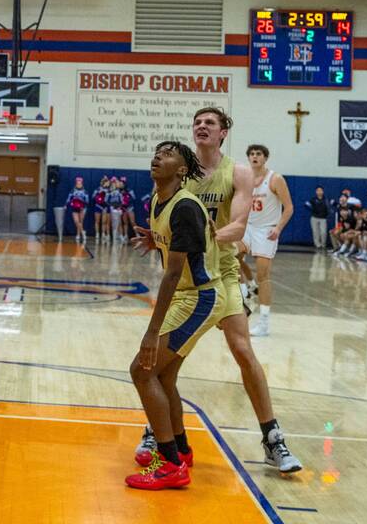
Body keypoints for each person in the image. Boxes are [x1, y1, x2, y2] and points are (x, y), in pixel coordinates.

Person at [137, 107, 301, 474]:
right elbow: (166, 216)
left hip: (222, 276)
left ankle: (273, 438)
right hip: (188, 279)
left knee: (242, 350)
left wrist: (203, 236)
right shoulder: (177, 171)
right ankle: (158, 432)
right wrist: (159, 237)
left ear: (223, 132)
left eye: (210, 122)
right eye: (197, 122)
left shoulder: (238, 173)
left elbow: (240, 226)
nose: (201, 126)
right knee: (166, 366)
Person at [126, 141, 222, 491]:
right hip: (186, 295)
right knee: (162, 377)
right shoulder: (157, 200)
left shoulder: (184, 206)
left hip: (197, 297)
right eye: (157, 151)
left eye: (167, 154)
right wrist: (157, 242)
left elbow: (171, 274)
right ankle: (180, 450)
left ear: (182, 170)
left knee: (142, 369)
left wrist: (152, 332)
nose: (157, 157)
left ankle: (169, 465)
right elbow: (174, 250)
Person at [243, 144, 293, 337]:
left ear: (265, 158)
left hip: (266, 230)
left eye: (259, 154)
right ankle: (243, 296)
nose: (255, 157)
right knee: (229, 256)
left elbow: (289, 207)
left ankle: (264, 322)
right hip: (247, 227)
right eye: (252, 154)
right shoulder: (244, 177)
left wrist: (278, 228)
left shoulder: (275, 179)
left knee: (263, 274)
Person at [305, 185, 330, 251]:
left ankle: (323, 245)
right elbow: (306, 204)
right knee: (315, 232)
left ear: (323, 191)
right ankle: (317, 245)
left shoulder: (326, 199)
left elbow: (329, 207)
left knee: (323, 232)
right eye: (318, 190)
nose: (319, 192)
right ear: (316, 192)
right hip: (314, 218)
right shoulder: (313, 199)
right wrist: (312, 209)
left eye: (321, 190)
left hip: (323, 218)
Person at [66, 176, 89, 243]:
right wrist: (66, 205)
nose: (79, 184)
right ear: (76, 183)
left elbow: (87, 201)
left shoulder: (85, 191)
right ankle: (83, 232)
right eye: (77, 183)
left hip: (82, 208)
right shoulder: (73, 190)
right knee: (76, 221)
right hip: (74, 207)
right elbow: (68, 198)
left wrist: (80, 200)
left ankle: (78, 234)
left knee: (80, 221)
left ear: (82, 183)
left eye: (80, 183)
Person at [94, 178, 110, 244]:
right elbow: (93, 196)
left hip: (105, 207)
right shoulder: (98, 189)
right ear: (104, 183)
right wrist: (99, 193)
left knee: (104, 221)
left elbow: (110, 199)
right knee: (97, 221)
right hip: (98, 206)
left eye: (108, 183)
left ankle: (103, 233)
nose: (108, 184)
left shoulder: (109, 190)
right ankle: (97, 234)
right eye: (107, 182)